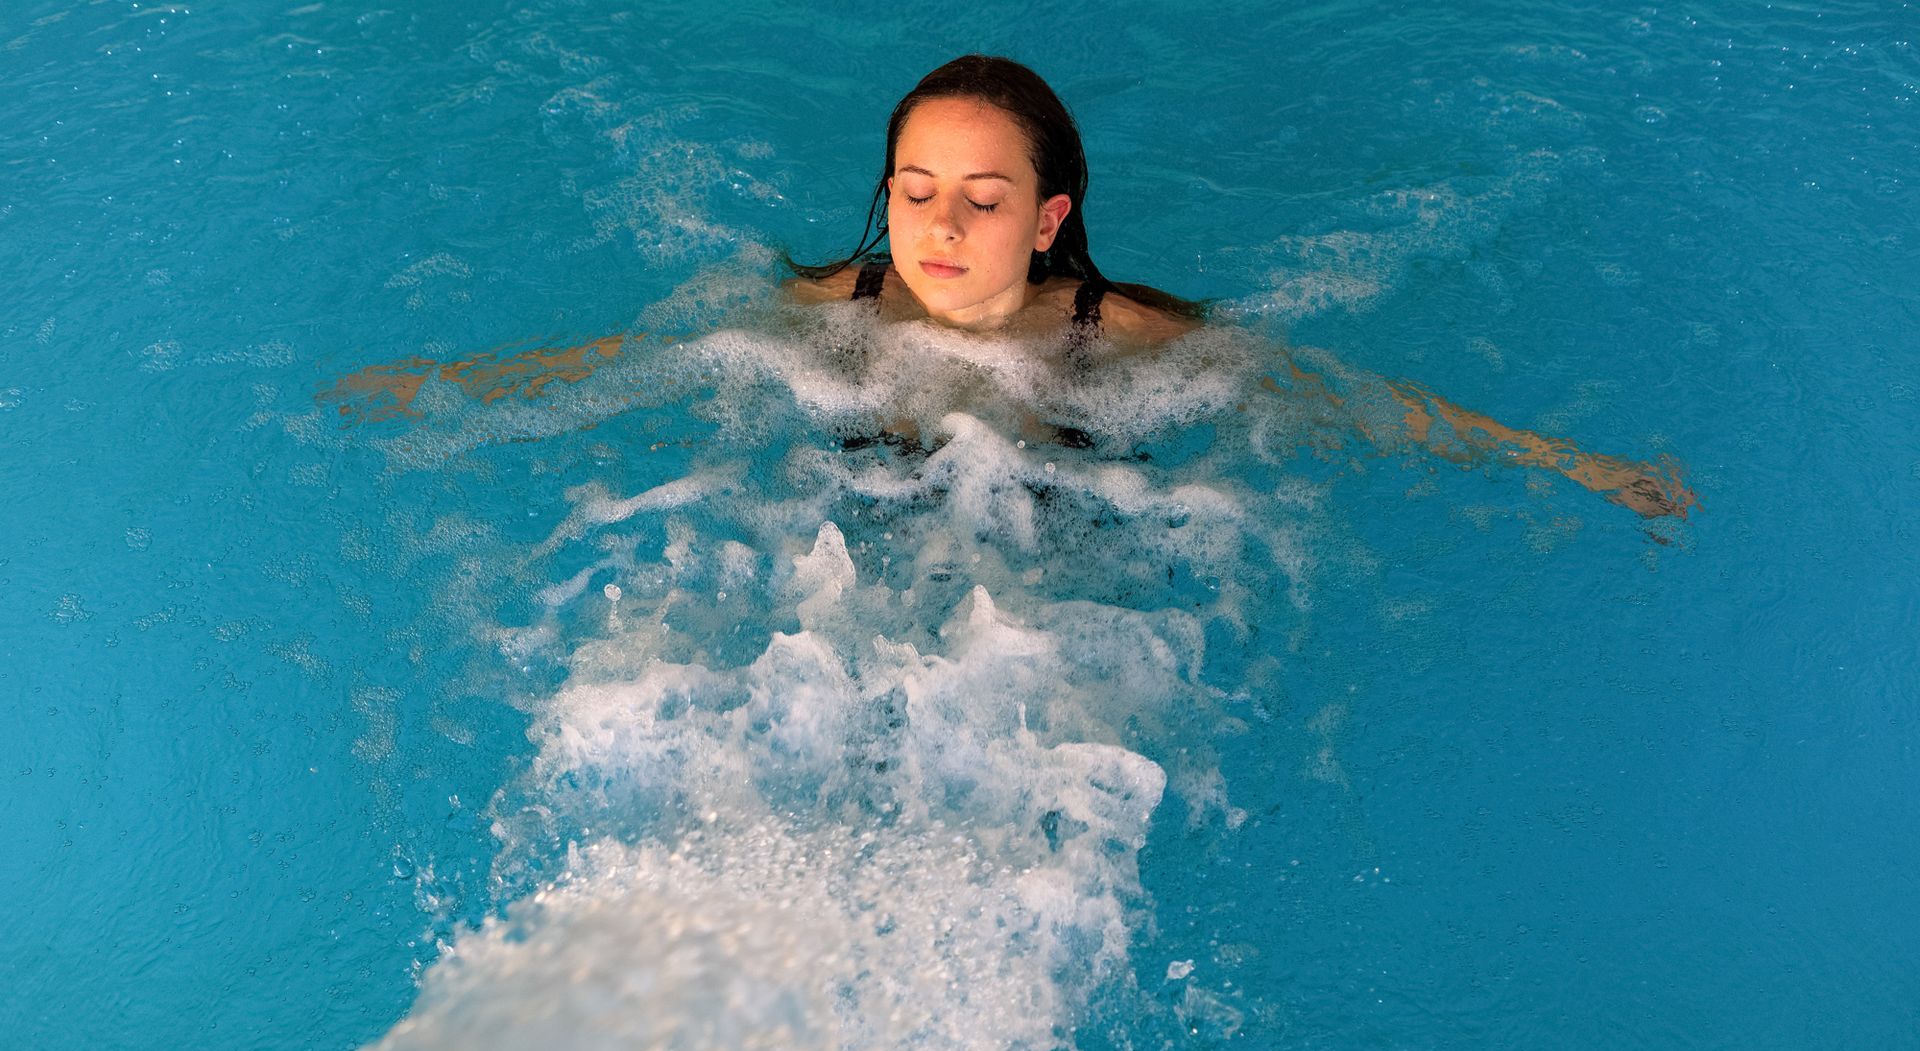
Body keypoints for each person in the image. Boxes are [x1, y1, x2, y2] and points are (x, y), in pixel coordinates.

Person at [323, 54, 1696, 519]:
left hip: (1060, 514)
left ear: (1049, 220)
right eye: (914, 192)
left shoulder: (1119, 328)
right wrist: (445, 393)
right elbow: (622, 361)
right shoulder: (837, 305)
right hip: (867, 493)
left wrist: (1572, 465)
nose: (939, 226)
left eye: (983, 201)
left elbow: (1349, 402)